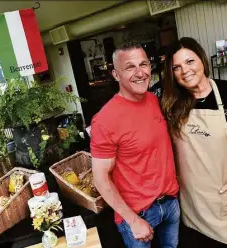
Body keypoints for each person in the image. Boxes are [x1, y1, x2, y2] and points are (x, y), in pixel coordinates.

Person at [161, 37, 227, 248]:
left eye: (190, 61)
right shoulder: (172, 103)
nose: (185, 71)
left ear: (202, 60)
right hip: (192, 200)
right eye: (177, 67)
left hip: (225, 195)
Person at [90, 40, 180, 248]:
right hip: (137, 214)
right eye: (130, 67)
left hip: (170, 203)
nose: (140, 73)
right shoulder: (105, 120)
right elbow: (100, 178)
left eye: (144, 64)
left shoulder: (155, 100)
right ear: (115, 74)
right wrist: (132, 220)